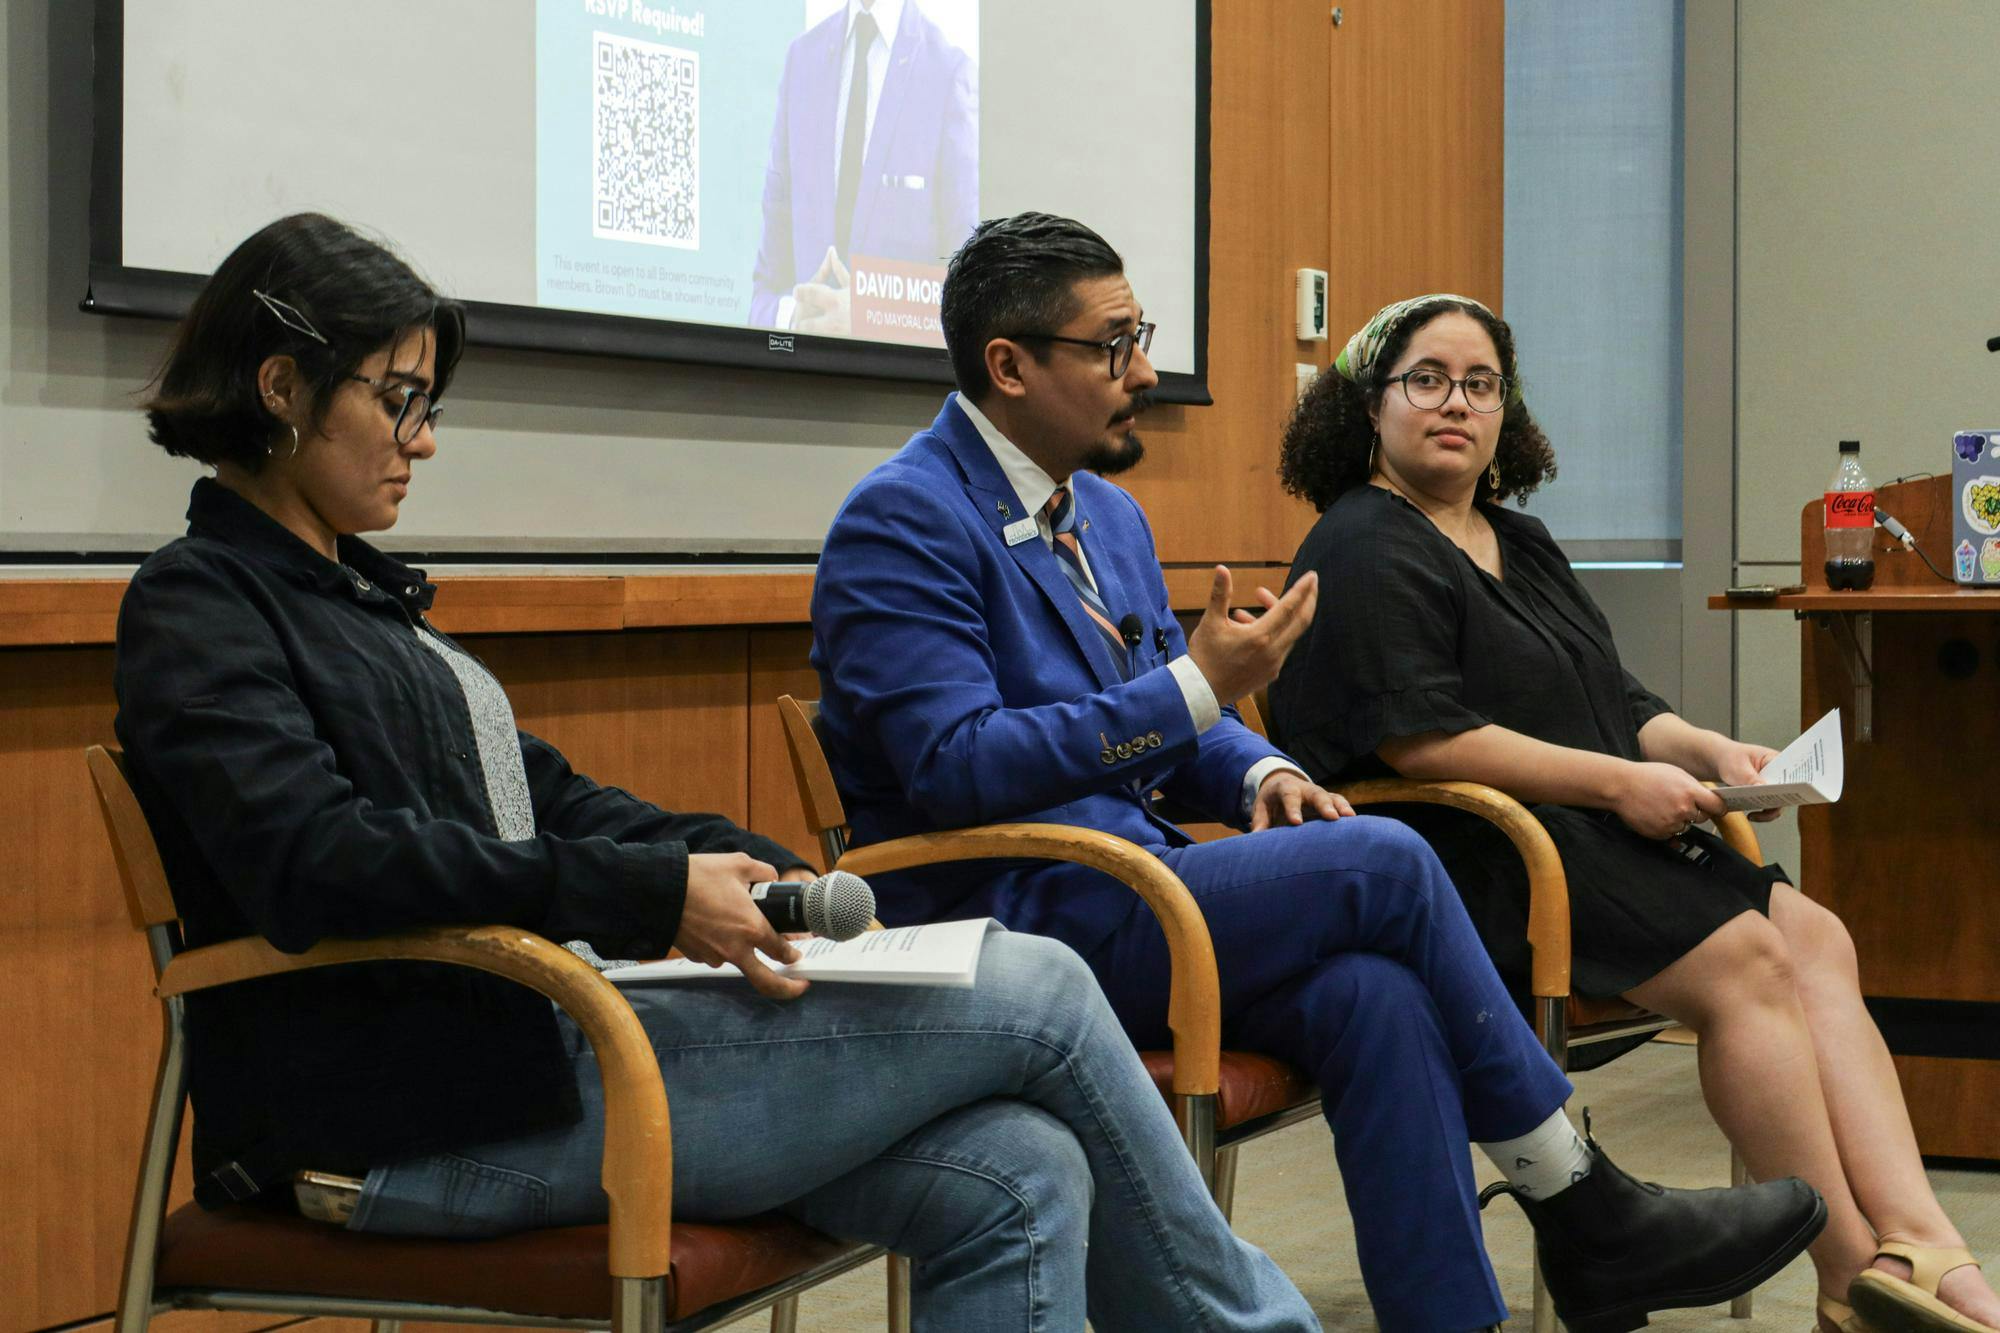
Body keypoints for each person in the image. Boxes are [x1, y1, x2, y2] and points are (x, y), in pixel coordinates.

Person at [111, 211, 1323, 1333]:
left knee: (1016, 1169)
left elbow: (545, 796)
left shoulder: (370, 605)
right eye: (398, 399)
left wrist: (731, 856)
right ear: (280, 388)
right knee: (1046, 990)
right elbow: (313, 858)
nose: (425, 438)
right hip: (403, 1112)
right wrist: (642, 896)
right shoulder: (198, 605)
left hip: (527, 1050)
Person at [810, 211, 1828, 1333]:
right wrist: (1199, 688)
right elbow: (956, 769)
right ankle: (1577, 1197)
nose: (1143, 370)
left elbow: (1180, 719)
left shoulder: (1104, 513)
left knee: (1373, 996)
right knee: (1385, 859)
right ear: (1007, 365)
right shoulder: (902, 518)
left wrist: (1254, 775)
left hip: (1134, 891)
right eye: (1111, 346)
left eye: (1138, 335)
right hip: (1013, 921)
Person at [1270, 292, 2000, 1333]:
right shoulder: (1358, 543)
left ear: (1503, 412)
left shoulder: (1514, 539)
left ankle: (1921, 1245)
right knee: (1749, 959)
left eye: (1479, 385)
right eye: (1424, 380)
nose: (1454, 404)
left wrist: (1703, 747)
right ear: (1367, 407)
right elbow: (1419, 741)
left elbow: (1612, 700)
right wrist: (1618, 783)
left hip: (1581, 833)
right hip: (1472, 855)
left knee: (1813, 936)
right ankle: (1848, 1277)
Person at [748, 0, 977, 333]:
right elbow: (762, 297)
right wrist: (794, 317)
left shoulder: (948, 72)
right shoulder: (801, 60)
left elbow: (967, 300)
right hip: (796, 376)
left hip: (892, 382)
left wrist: (871, 317)